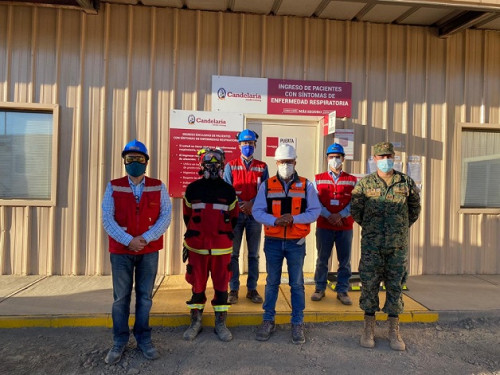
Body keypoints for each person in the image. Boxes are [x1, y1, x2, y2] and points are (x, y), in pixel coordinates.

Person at [102, 139, 172, 365]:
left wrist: (145, 239)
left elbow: (165, 216)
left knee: (145, 297)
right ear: (124, 161)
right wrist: (128, 240)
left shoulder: (158, 186)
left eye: (138, 159)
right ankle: (119, 341)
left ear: (146, 162)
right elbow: (107, 218)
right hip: (121, 252)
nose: (134, 162)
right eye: (129, 158)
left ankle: (144, 338)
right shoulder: (113, 186)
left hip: (148, 251)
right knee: (120, 299)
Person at [351, 141, 421, 351]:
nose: (384, 160)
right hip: (372, 247)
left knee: (395, 287)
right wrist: (374, 229)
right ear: (374, 159)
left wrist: (398, 228)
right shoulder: (364, 184)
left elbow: (414, 209)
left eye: (388, 156)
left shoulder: (405, 182)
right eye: (380, 156)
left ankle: (394, 331)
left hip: (397, 247)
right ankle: (368, 329)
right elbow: (356, 211)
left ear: (394, 157)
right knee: (370, 286)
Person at [252, 144, 321, 344]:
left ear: (295, 162)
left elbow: (315, 211)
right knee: (272, 283)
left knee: (297, 284)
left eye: (289, 162)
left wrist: (293, 219)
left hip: (296, 243)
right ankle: (268, 320)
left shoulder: (307, 185)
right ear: (277, 163)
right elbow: (257, 211)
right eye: (282, 162)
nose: (285, 165)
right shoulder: (267, 185)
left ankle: (297, 323)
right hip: (273, 241)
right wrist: (275, 221)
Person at [182, 147, 239, 342]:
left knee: (222, 287)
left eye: (217, 161)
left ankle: (220, 323)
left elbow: (234, 218)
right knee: (197, 286)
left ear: (223, 164)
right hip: (197, 247)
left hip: (221, 248)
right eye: (208, 160)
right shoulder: (193, 189)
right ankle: (195, 321)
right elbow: (187, 216)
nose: (212, 164)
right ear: (201, 164)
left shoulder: (228, 191)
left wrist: (221, 235)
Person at [223, 129, 269, 305]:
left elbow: (266, 190)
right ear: (239, 145)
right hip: (235, 215)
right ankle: (233, 289)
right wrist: (241, 204)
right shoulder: (230, 165)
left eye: (250, 143)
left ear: (255, 145)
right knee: (232, 254)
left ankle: (252, 289)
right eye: (244, 143)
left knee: (254, 255)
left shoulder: (262, 166)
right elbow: (227, 190)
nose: (247, 146)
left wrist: (251, 204)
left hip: (254, 216)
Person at [311, 143, 357, 305]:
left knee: (344, 261)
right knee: (322, 259)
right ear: (327, 159)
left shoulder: (352, 180)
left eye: (338, 157)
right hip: (324, 225)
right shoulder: (318, 179)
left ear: (343, 158)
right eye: (331, 157)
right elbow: (314, 202)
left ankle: (343, 290)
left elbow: (355, 203)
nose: (335, 159)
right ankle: (319, 288)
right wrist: (329, 215)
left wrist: (341, 215)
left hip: (345, 227)